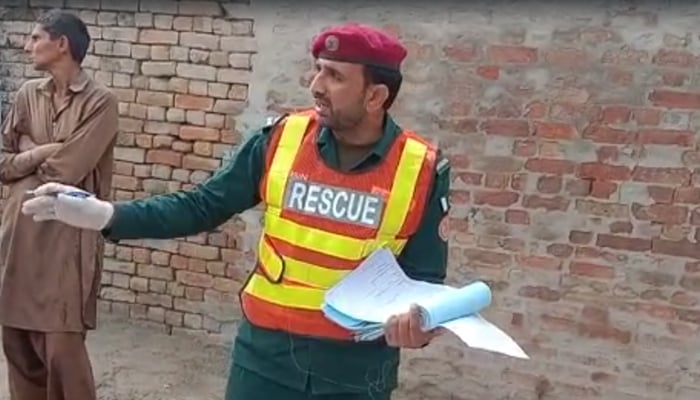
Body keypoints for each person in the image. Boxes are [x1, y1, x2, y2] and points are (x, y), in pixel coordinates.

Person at [22, 22, 452, 400]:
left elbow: (425, 281)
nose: (315, 84)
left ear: (376, 95)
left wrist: (420, 323)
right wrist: (107, 216)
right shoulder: (282, 139)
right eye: (318, 68)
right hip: (264, 361)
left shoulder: (421, 169)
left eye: (334, 75)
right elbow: (202, 205)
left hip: (356, 374)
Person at [0, 10, 118, 400]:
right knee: (17, 344)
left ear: (62, 44)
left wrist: (34, 152)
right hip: (18, 234)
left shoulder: (101, 102)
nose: (27, 45)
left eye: (36, 38)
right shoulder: (26, 95)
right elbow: (3, 164)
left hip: (67, 242)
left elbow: (67, 170)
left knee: (62, 351)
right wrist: (40, 153)